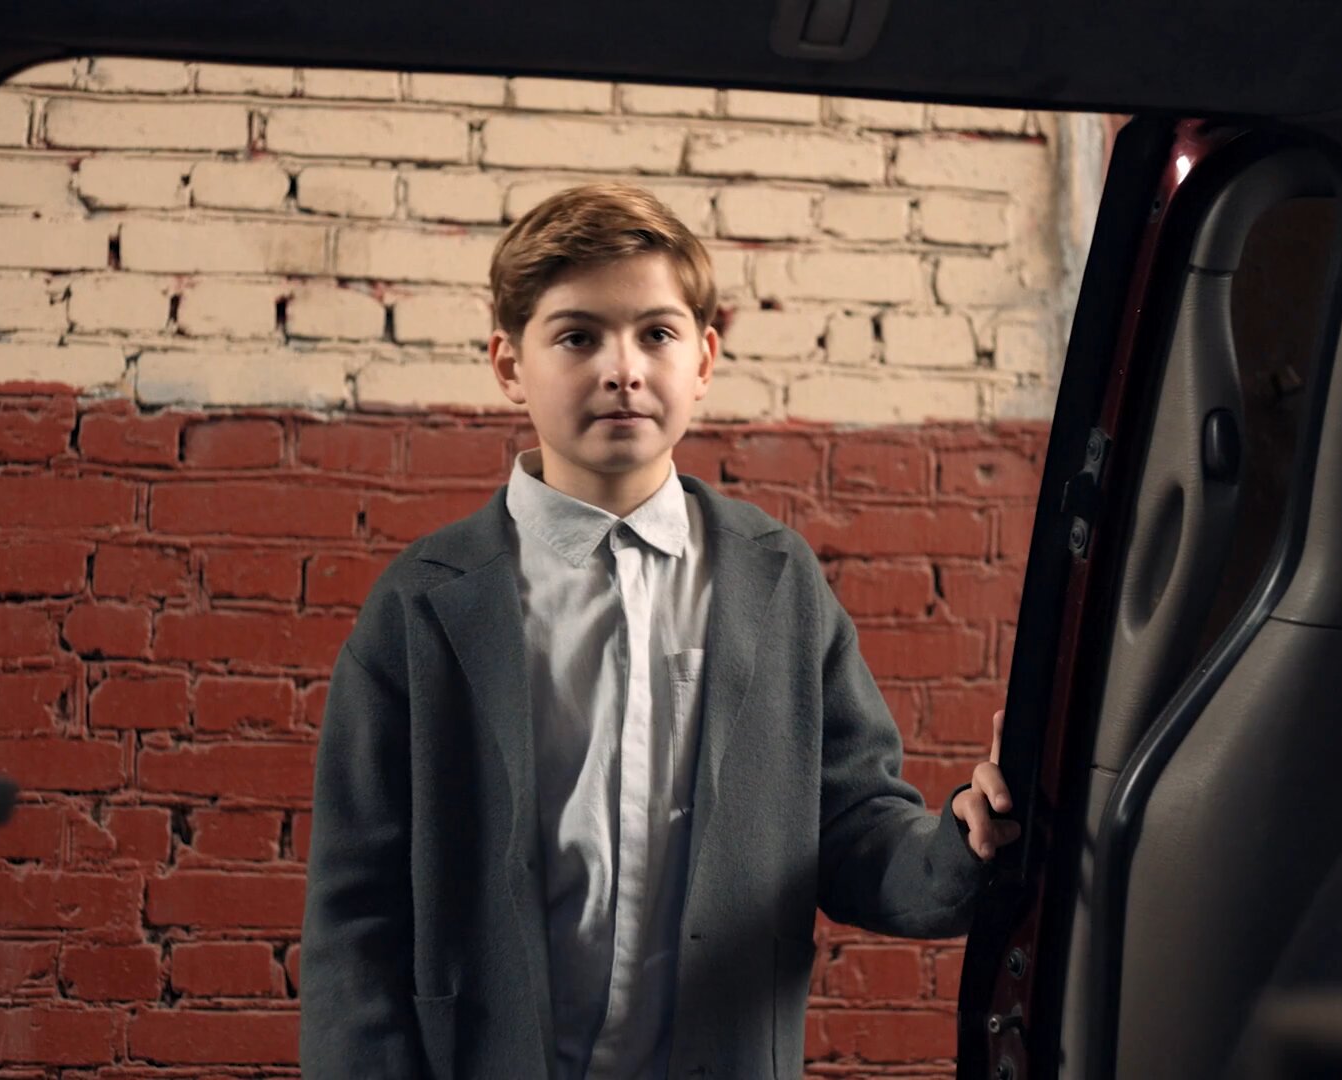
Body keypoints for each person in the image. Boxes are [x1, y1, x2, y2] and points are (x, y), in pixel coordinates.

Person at [300, 181, 1022, 1079]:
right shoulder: (423, 605)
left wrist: (962, 842)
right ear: (508, 364)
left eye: (657, 334)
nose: (623, 369)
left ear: (704, 358)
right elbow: (356, 915)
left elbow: (857, 829)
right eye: (577, 336)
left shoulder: (776, 581)